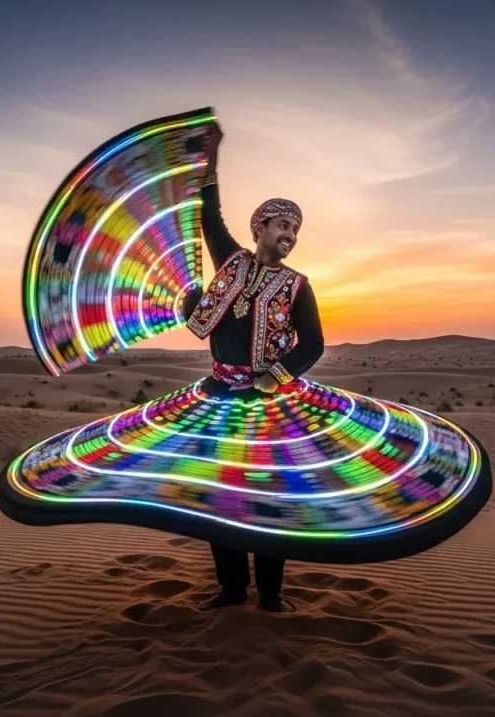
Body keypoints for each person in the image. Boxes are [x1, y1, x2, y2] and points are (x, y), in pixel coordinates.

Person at [184, 121, 325, 613]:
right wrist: (212, 157)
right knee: (221, 496)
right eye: (282, 225)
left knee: (265, 501)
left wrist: (275, 378)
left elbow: (314, 344)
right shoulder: (231, 261)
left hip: (266, 403)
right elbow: (209, 216)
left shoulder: (298, 286)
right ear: (260, 228)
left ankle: (269, 594)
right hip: (220, 397)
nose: (290, 235)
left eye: (296, 229)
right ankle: (230, 589)